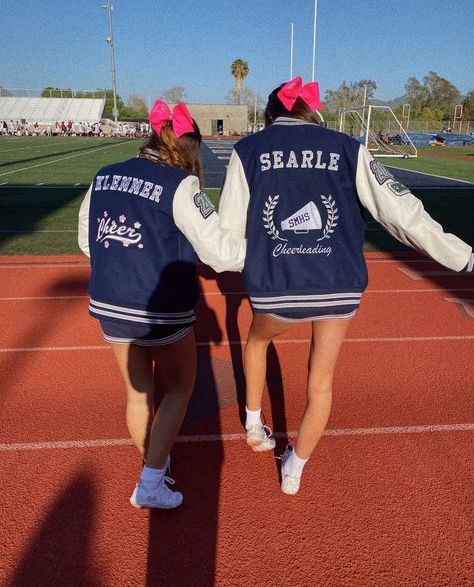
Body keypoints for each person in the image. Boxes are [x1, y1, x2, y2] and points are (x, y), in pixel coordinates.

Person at [218, 76, 473, 496]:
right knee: (321, 384)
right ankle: (295, 469)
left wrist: (250, 260)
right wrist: (462, 256)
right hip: (338, 283)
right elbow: (402, 213)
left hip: (277, 284)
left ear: (271, 114)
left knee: (258, 340)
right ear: (309, 110)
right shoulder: (348, 148)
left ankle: (252, 421)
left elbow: (228, 235)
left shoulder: (247, 150)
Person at [78, 100, 245, 509]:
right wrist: (268, 251)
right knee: (179, 388)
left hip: (109, 302)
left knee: (137, 395)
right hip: (161, 309)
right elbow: (222, 255)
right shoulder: (183, 186)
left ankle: (156, 461)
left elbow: (87, 241)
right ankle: (151, 482)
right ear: (188, 147)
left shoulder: (104, 176)